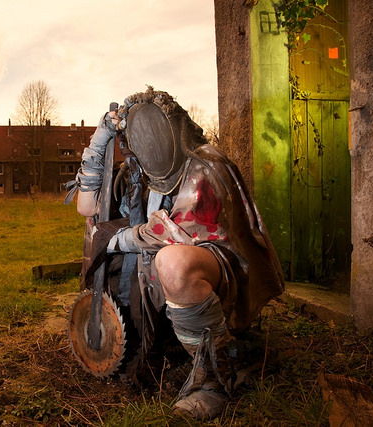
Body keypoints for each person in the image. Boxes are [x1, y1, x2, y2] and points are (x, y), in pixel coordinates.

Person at [67, 87, 285, 420]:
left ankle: (214, 380)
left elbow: (177, 232)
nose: (147, 142)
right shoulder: (139, 176)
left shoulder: (206, 164)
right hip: (158, 284)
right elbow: (87, 209)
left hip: (222, 271)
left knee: (173, 262)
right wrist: (101, 138)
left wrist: (122, 237)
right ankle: (177, 342)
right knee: (118, 236)